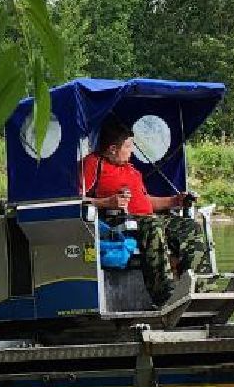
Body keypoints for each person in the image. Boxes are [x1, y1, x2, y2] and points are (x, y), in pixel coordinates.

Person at [81, 121, 208, 304]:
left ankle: (198, 287)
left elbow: (144, 201)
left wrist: (175, 201)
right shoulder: (94, 164)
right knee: (153, 225)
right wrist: (107, 202)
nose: (132, 151)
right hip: (119, 222)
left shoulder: (131, 170)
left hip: (147, 218)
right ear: (112, 149)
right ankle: (165, 294)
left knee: (190, 227)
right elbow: (76, 199)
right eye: (128, 146)